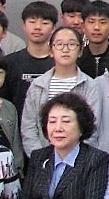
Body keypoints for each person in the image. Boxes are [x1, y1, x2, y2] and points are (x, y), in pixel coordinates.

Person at [21, 26, 103, 154]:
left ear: (80, 51)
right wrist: (40, 157)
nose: (65, 49)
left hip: (79, 160)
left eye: (71, 44)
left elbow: (93, 128)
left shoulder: (90, 86)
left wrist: (78, 158)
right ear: (51, 51)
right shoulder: (37, 85)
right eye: (59, 44)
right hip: (43, 157)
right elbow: (29, 127)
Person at [1, 1, 59, 113]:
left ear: (53, 28)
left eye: (45, 23)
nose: (37, 27)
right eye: (32, 22)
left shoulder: (60, 62)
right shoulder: (9, 62)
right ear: (24, 26)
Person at [77, 0, 109, 79]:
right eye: (91, 22)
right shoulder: (77, 57)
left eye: (102, 22)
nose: (96, 27)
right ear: (83, 26)